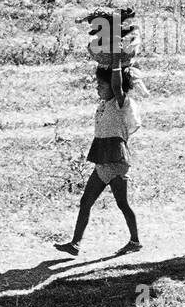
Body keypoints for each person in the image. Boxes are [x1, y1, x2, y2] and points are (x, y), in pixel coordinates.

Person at [56, 64, 146, 257]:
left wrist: (115, 65)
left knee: (122, 203)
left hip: (115, 161)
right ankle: (75, 244)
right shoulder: (104, 105)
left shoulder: (119, 103)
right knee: (86, 201)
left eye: (101, 85)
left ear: (114, 88)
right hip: (103, 159)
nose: (97, 88)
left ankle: (135, 241)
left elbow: (117, 86)